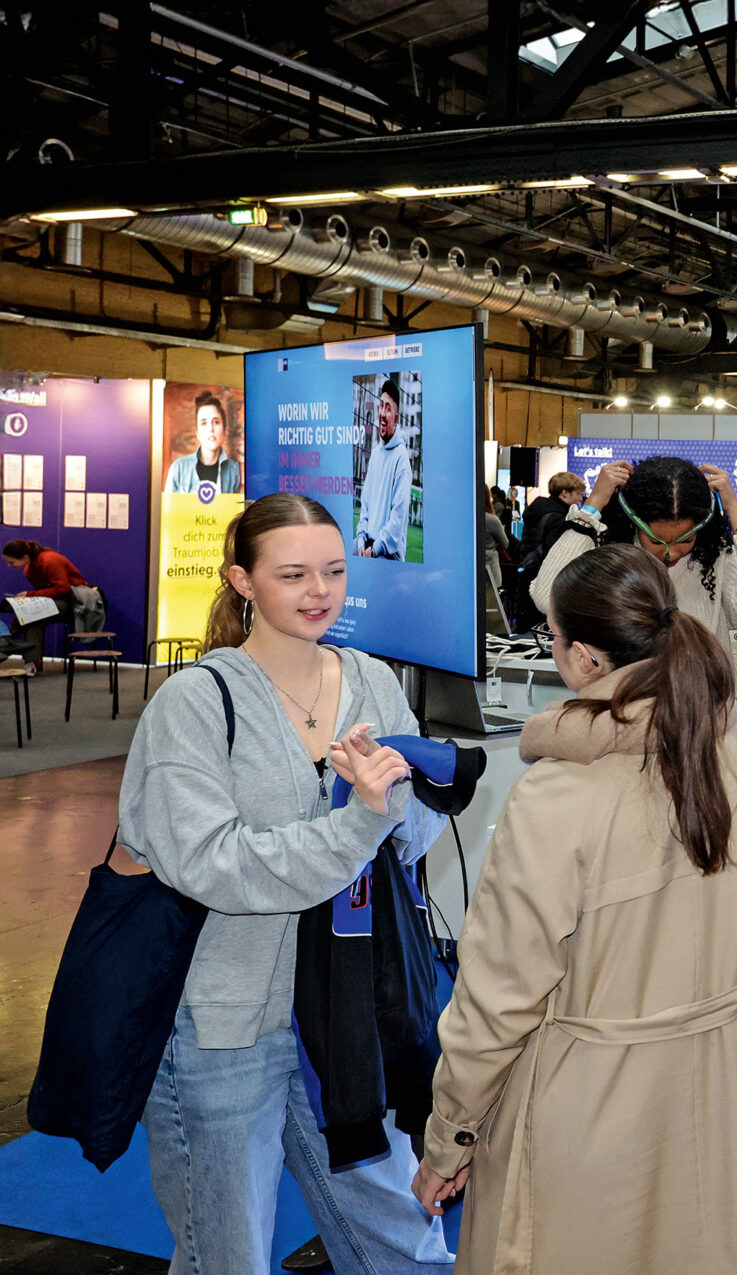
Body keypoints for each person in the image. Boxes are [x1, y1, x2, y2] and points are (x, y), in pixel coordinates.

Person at [417, 544, 737, 1272]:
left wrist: (449, 1137)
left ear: (585, 657)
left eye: (552, 638)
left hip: (577, 1111)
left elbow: (498, 995)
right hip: (710, 1094)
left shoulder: (561, 794)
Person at [116, 493, 452, 1274]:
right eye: (293, 573)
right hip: (226, 1024)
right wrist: (358, 822)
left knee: (399, 1235)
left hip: (348, 1017)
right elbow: (212, 864)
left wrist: (394, 804)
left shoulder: (371, 678)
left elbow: (414, 838)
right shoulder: (196, 701)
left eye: (333, 571)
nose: (318, 591)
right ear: (243, 581)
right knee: (224, 1253)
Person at [530, 455, 737, 636]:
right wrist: (593, 506)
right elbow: (548, 599)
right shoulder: (611, 559)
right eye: (655, 541)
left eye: (686, 539)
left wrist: (733, 508)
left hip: (701, 707)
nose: (670, 553)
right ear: (633, 524)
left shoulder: (714, 557)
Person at [2, 538, 95, 674]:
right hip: (58, 602)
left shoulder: (50, 560)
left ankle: (8, 640)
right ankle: (31, 663)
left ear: (25, 556)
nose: (10, 565)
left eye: (11, 562)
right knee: (32, 618)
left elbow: (63, 588)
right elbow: (45, 593)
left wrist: (29, 595)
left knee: (32, 613)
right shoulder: (30, 570)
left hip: (75, 602)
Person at [354, 376, 413, 560]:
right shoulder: (376, 454)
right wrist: (362, 540)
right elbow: (365, 506)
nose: (382, 412)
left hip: (388, 554)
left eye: (388, 408)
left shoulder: (402, 458)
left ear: (395, 418)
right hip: (369, 545)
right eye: (381, 406)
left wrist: (375, 549)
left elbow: (397, 520)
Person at [165, 390, 245, 493]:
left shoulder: (235, 471)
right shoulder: (178, 469)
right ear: (197, 432)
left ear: (224, 429)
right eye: (204, 423)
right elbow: (168, 509)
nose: (210, 429)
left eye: (216, 422)